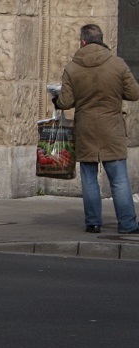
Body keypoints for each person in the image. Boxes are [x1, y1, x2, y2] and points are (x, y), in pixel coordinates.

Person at [54, 23, 139, 234]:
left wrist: (55, 99)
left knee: (89, 177)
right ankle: (128, 224)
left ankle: (93, 222)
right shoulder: (117, 64)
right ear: (101, 39)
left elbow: (65, 101)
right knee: (118, 178)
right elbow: (134, 93)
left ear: (82, 42)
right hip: (112, 128)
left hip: (86, 128)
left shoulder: (72, 68)